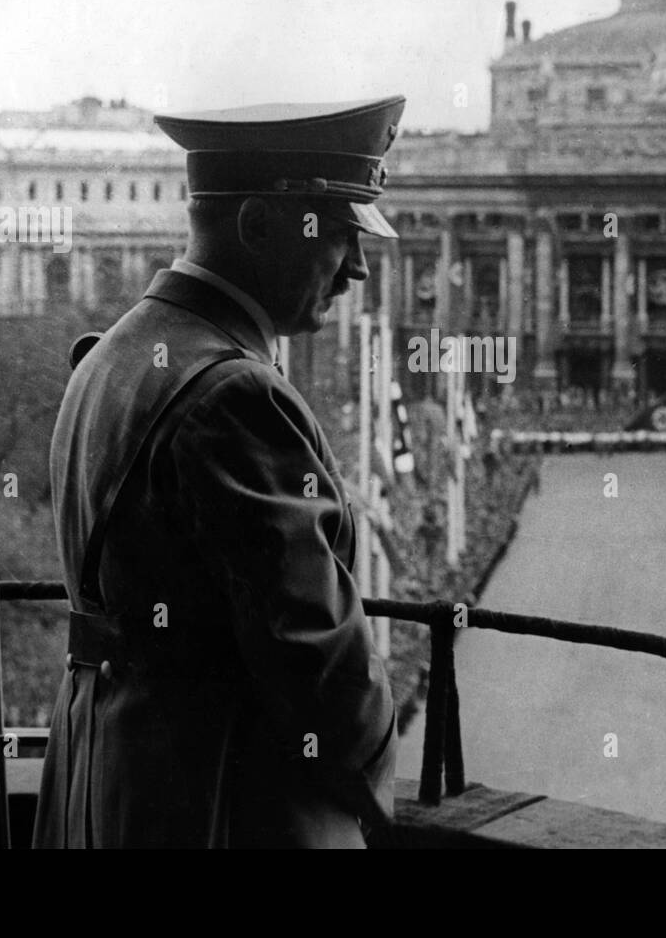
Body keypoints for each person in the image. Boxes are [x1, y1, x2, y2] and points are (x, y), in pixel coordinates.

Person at [32, 97, 405, 848]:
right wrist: (368, 788)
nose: (357, 268)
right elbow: (326, 676)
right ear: (259, 227)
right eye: (338, 235)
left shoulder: (111, 354)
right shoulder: (238, 393)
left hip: (104, 784)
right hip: (220, 807)